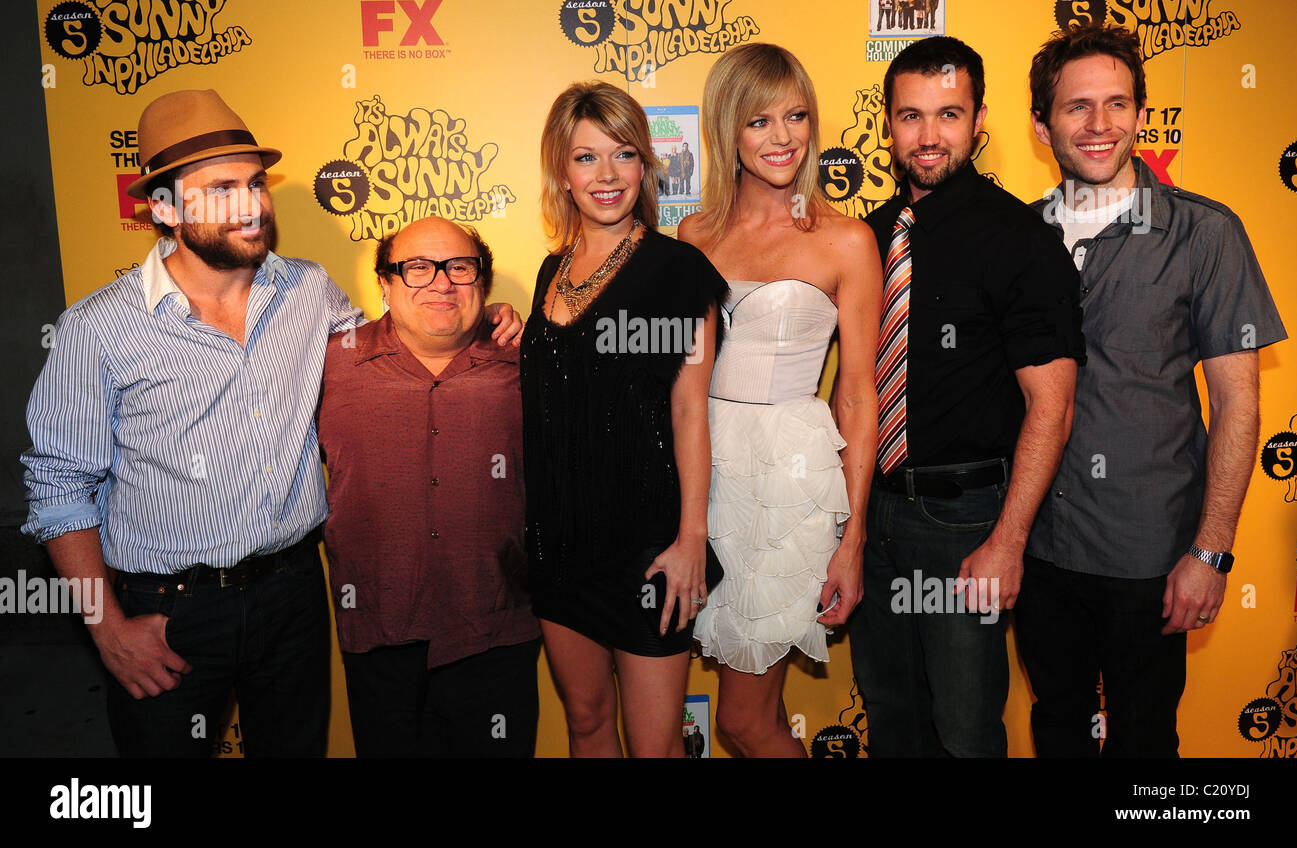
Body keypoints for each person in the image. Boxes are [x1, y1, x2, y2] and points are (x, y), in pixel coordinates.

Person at [20, 89, 522, 758]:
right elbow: (58, 488)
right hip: (168, 612)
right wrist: (107, 628)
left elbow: (399, 344)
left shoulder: (309, 292)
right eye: (223, 189)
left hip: (295, 596)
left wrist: (479, 315)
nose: (252, 204)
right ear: (165, 209)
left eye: (256, 184)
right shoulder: (99, 329)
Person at [1018, 24, 1287, 757]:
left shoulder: (1205, 234)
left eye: (1118, 103)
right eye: (1077, 107)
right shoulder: (1019, 237)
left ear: (1141, 113)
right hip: (1041, 549)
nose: (1099, 125)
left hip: (1152, 555)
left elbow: (1238, 404)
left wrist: (1212, 552)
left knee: (1144, 747)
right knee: (1056, 730)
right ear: (1043, 125)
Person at [843, 37, 1085, 757]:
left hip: (964, 525)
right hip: (873, 512)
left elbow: (1053, 405)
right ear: (887, 124)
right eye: (910, 116)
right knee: (892, 720)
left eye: (948, 115)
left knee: (967, 730)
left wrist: (1007, 542)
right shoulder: (869, 237)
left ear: (980, 121)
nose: (928, 136)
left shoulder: (1019, 238)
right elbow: (853, 388)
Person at [679, 43, 881, 757]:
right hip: (706, 470)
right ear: (728, 129)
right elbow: (687, 380)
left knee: (740, 720)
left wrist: (852, 537)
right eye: (760, 121)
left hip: (789, 480)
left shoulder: (846, 240)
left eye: (796, 116)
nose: (784, 136)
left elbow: (857, 394)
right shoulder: (694, 236)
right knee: (740, 713)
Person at [521, 81, 727, 757]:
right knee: (585, 724)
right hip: (559, 542)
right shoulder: (551, 272)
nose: (607, 176)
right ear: (562, 171)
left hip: (647, 545)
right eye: (586, 159)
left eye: (623, 155)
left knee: (654, 747)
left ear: (646, 165)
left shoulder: (678, 271)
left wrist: (691, 537)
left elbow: (689, 406)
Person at [317, 217, 541, 758]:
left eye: (459, 268)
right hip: (380, 629)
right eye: (417, 268)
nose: (441, 284)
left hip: (495, 631)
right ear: (386, 285)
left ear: (482, 284)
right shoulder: (329, 363)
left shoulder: (529, 361)